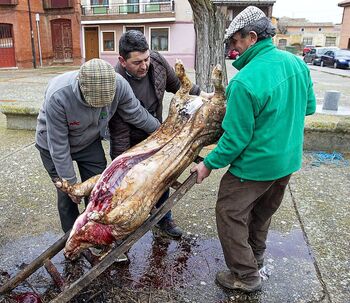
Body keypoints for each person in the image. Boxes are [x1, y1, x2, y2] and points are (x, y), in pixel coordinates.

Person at [191, 6, 316, 292]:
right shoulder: (296, 63)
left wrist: (208, 164)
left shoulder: (245, 82)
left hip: (256, 166)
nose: (234, 49)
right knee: (261, 213)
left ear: (251, 36)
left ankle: (245, 276)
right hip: (287, 161)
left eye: (235, 42)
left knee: (229, 212)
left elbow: (235, 139)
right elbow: (308, 107)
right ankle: (256, 259)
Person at [35, 58, 160, 234]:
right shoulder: (58, 95)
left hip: (89, 141)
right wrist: (72, 185)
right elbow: (58, 145)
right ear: (81, 87)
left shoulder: (119, 84)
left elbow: (136, 113)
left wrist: (159, 130)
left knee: (100, 188)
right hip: (51, 145)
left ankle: (94, 233)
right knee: (67, 196)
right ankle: (72, 237)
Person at [109, 30, 211, 238]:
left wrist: (203, 94)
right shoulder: (115, 81)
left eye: (146, 59)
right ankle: (122, 230)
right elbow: (118, 130)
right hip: (130, 139)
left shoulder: (156, 61)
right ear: (122, 60)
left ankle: (163, 221)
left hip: (157, 131)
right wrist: (120, 161)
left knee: (163, 176)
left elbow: (178, 85)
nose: (144, 66)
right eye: (137, 62)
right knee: (131, 185)